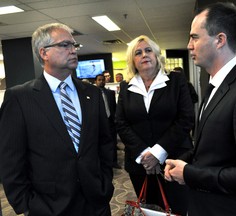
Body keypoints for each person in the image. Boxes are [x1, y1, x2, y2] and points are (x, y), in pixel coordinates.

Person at [164, 2, 236, 216]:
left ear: (220, 40)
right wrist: (185, 160)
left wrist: (189, 174)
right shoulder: (215, 86)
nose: (189, 45)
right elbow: (216, 148)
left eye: (194, 37)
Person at [0, 23, 114, 216]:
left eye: (74, 46)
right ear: (44, 53)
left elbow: (104, 142)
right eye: (65, 45)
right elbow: (10, 158)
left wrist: (105, 182)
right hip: (48, 206)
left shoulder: (92, 93)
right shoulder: (20, 97)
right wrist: (26, 206)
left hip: (96, 202)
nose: (73, 51)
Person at [116, 35, 194, 215]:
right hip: (139, 164)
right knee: (149, 210)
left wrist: (157, 153)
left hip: (174, 161)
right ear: (132, 61)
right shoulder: (126, 86)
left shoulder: (176, 80)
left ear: (157, 55)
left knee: (179, 208)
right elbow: (121, 123)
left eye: (148, 50)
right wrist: (146, 155)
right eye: (138, 52)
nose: (144, 55)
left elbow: (186, 118)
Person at [94, 73, 121, 169]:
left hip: (110, 121)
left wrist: (115, 120)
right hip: (98, 122)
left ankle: (114, 162)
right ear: (95, 81)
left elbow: (114, 107)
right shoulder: (92, 94)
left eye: (103, 80)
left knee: (113, 142)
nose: (101, 81)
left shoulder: (110, 93)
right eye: (99, 80)